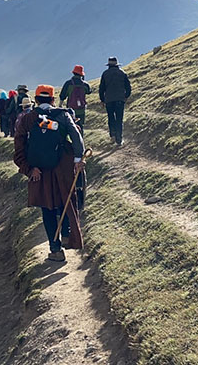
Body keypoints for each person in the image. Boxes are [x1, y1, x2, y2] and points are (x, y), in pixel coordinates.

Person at [14, 84, 86, 262]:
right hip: (62, 166)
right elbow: (76, 138)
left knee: (47, 207)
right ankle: (67, 234)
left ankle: (55, 250)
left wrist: (29, 169)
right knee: (66, 199)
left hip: (40, 171)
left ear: (36, 100)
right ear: (53, 100)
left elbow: (19, 149)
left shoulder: (27, 119)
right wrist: (77, 161)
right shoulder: (63, 115)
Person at [99, 56, 131, 146]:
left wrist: (102, 100)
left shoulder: (105, 74)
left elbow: (101, 88)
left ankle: (112, 135)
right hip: (120, 99)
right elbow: (128, 87)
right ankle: (119, 139)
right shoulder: (122, 73)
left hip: (108, 100)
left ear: (108, 65)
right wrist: (126, 96)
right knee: (119, 119)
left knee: (111, 118)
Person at [59, 65, 92, 134]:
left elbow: (62, 96)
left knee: (71, 127)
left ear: (73, 73)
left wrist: (60, 105)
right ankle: (81, 142)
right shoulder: (85, 84)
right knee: (80, 126)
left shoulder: (68, 83)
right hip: (81, 110)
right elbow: (89, 91)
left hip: (71, 110)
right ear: (81, 74)